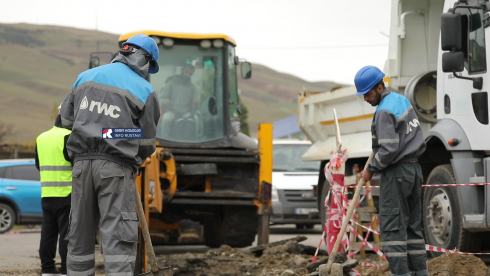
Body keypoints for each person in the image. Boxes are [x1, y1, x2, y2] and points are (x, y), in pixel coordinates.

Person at [60, 34, 160, 276]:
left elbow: (66, 121)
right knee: (118, 242)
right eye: (148, 65)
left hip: (81, 167)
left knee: (79, 237)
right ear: (142, 58)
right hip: (116, 170)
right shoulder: (144, 89)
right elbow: (146, 142)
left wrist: (101, 131)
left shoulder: (84, 77)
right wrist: (122, 142)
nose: (147, 71)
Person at [356, 66, 428, 276]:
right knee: (413, 228)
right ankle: (420, 273)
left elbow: (389, 149)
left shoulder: (383, 111)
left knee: (393, 229)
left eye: (368, 94)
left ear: (380, 87)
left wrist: (370, 169)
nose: (365, 99)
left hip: (397, 173)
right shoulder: (401, 100)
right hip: (414, 170)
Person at [35, 107, 72, 276]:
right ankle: (65, 270)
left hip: (47, 194)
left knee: (48, 234)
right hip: (66, 193)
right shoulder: (68, 137)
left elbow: (38, 165)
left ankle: (47, 269)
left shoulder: (41, 138)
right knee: (67, 235)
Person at [158, 64, 200, 135]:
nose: (188, 74)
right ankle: (165, 139)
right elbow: (161, 99)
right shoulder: (171, 84)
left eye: (190, 73)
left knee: (196, 119)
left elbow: (196, 103)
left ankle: (196, 140)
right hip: (171, 111)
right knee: (165, 119)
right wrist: (164, 101)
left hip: (186, 113)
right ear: (182, 70)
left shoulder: (192, 87)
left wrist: (196, 103)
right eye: (186, 72)